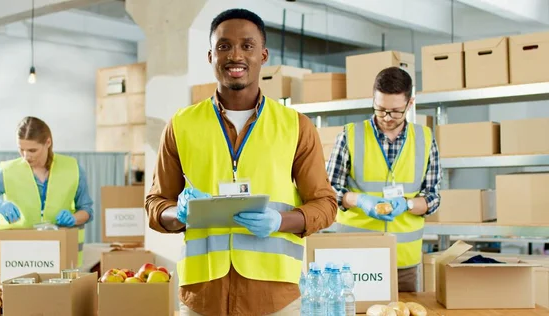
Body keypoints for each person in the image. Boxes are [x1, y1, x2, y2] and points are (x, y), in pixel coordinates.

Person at [145, 8, 337, 316]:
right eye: (224, 46)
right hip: (202, 298)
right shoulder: (181, 125)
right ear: (210, 56)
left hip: (276, 300)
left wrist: (280, 222)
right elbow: (156, 206)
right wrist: (178, 212)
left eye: (247, 46)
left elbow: (325, 205)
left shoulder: (295, 126)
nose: (235, 55)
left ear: (263, 55)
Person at [326, 67, 441, 292]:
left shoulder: (425, 139)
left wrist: (407, 204)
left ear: (410, 104)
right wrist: (359, 200)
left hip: (404, 261)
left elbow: (433, 197)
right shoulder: (349, 135)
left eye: (396, 111)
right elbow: (329, 191)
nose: (387, 117)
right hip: (355, 260)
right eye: (380, 109)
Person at [0, 116, 94, 267]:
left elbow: (86, 210)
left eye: (32, 150)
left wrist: (74, 218)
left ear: (48, 142)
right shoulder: (9, 172)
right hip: (20, 260)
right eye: (21, 149)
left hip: (62, 256)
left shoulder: (72, 169)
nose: (26, 156)